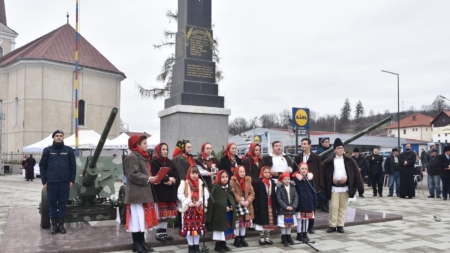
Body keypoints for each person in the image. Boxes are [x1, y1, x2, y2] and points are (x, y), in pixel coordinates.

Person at [124, 135, 159, 253]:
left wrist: (151, 178)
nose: (146, 145)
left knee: (142, 219)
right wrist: (148, 179)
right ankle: (136, 243)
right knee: (136, 219)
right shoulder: (132, 157)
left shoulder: (142, 156)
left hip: (142, 192)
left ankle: (142, 242)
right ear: (137, 145)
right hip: (135, 194)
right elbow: (132, 174)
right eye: (144, 143)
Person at [322, 138, 364, 233]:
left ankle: (340, 225)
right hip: (333, 188)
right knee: (333, 207)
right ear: (334, 150)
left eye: (341, 148)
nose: (340, 149)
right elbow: (323, 173)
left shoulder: (350, 161)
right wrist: (331, 178)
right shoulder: (329, 161)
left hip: (345, 188)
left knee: (342, 207)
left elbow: (356, 174)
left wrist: (349, 179)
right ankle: (332, 225)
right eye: (338, 148)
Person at [39, 129, 76, 235]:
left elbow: (73, 167)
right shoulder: (47, 150)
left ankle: (61, 225)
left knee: (62, 204)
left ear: (63, 137)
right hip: (52, 182)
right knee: (52, 204)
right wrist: (44, 181)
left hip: (64, 182)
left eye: (60, 135)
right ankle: (54, 225)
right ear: (53, 138)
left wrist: (71, 180)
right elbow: (43, 166)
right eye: (57, 136)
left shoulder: (68, 151)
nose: (59, 137)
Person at [293, 137, 324, 236]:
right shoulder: (298, 157)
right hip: (300, 184)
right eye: (302, 144)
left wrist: (319, 185)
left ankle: (310, 226)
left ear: (310, 145)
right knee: (301, 206)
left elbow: (320, 171)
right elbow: (294, 170)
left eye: (305, 144)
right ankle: (300, 229)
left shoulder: (316, 157)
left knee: (311, 206)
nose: (303, 145)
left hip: (311, 183)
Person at [150, 143, 179, 242]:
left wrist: (172, 181)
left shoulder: (170, 162)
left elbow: (176, 175)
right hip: (159, 192)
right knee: (160, 214)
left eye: (166, 149)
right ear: (158, 151)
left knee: (166, 214)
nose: (165, 151)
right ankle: (158, 234)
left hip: (170, 192)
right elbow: (154, 176)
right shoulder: (154, 162)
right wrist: (167, 178)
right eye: (163, 149)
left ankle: (164, 232)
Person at [177, 166, 209, 253]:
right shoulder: (184, 183)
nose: (194, 175)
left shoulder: (201, 182)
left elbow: (205, 194)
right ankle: (190, 247)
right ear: (189, 174)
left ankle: (196, 246)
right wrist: (187, 202)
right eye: (192, 173)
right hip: (189, 210)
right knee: (189, 229)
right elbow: (180, 194)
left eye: (196, 173)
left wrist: (200, 201)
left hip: (198, 209)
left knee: (198, 228)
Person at [206, 170, 236, 252]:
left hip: (228, 213)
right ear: (219, 177)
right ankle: (218, 245)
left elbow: (232, 198)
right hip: (218, 214)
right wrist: (223, 208)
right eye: (222, 177)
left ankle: (223, 244)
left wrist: (232, 205)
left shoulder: (228, 187)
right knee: (219, 229)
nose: (225, 179)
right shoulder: (216, 188)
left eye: (226, 177)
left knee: (226, 229)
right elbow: (213, 202)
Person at [230, 165, 255, 248]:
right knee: (239, 222)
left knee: (244, 222)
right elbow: (233, 193)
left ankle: (242, 238)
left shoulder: (247, 180)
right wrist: (240, 201)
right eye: (240, 171)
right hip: (238, 203)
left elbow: (252, 193)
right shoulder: (233, 181)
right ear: (237, 172)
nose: (242, 173)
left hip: (246, 202)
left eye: (243, 171)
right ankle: (237, 238)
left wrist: (248, 201)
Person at [292, 162, 317, 243]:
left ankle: (305, 233)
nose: (304, 170)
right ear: (299, 169)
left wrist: (314, 201)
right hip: (300, 201)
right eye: (302, 168)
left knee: (306, 218)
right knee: (300, 218)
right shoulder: (295, 179)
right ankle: (299, 234)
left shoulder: (310, 179)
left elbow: (313, 190)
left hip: (308, 201)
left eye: (305, 169)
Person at [253, 166, 278, 245]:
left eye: (268, 172)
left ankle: (267, 237)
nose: (267, 174)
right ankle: (261, 238)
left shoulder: (273, 182)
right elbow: (255, 195)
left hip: (271, 203)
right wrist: (256, 206)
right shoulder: (258, 182)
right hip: (261, 205)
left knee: (269, 222)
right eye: (265, 172)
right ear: (262, 173)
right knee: (262, 221)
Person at [276, 172, 298, 247]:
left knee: (289, 224)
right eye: (285, 179)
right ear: (282, 180)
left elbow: (296, 197)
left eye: (288, 179)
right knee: (283, 225)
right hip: (283, 210)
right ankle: (284, 237)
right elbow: (278, 199)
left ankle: (289, 236)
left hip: (291, 209)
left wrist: (293, 206)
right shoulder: (279, 188)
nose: (287, 181)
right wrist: (285, 206)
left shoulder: (293, 187)